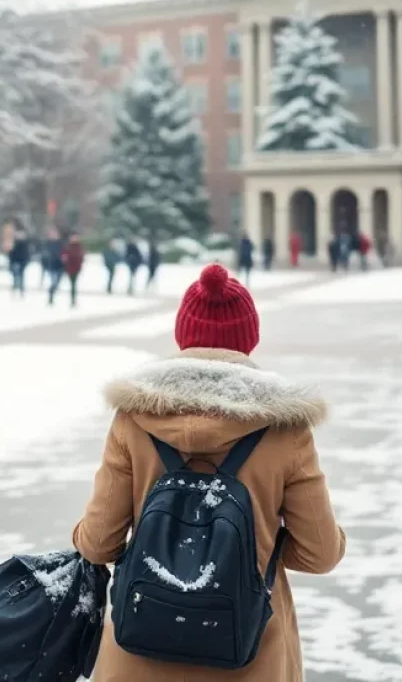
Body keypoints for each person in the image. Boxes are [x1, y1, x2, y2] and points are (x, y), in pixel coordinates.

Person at [72, 263, 345, 681]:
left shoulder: (133, 419)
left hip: (139, 655)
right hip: (250, 652)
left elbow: (98, 544)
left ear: (183, 336)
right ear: (248, 340)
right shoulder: (286, 429)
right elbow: (320, 553)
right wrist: (258, 544)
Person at [61, 233, 86, 307]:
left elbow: (82, 256)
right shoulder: (68, 246)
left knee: (74, 284)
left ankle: (73, 300)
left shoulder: (79, 246)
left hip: (77, 267)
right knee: (72, 284)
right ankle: (73, 300)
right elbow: (64, 255)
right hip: (69, 267)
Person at [43, 227, 64, 303]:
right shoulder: (48, 244)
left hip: (60, 266)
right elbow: (45, 255)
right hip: (52, 266)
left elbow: (64, 252)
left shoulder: (61, 243)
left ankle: (52, 294)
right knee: (54, 282)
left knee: (57, 283)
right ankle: (51, 297)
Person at [8, 229, 30, 297]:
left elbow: (26, 255)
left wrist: (25, 262)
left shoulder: (24, 244)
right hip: (16, 263)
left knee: (20, 278)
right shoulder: (14, 243)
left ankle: (20, 291)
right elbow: (11, 254)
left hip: (21, 263)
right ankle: (15, 291)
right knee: (16, 278)